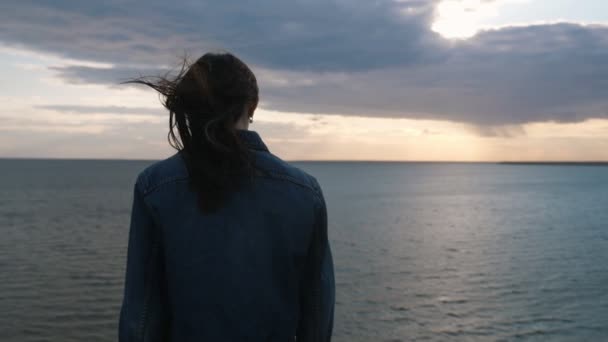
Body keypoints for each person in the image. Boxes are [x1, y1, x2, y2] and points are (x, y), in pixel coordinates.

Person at [118, 52, 335, 342]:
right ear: (251, 105)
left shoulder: (155, 186)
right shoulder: (304, 191)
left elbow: (142, 311)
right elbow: (317, 310)